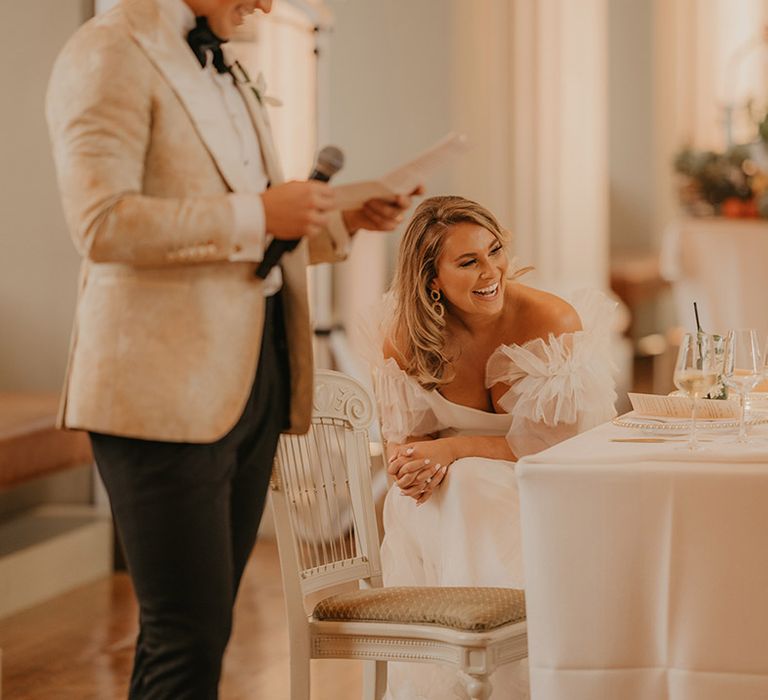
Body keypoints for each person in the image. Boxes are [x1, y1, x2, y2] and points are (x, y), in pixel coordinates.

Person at [45, 0, 420, 697]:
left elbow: (250, 229)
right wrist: (259, 211)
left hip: (255, 377)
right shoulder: (107, 53)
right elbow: (101, 222)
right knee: (189, 629)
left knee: (195, 629)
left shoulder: (226, 64)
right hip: (157, 390)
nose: (270, 4)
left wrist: (340, 220)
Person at [362, 196, 617, 699]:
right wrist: (408, 466)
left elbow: (560, 449)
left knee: (470, 483)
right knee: (434, 493)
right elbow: (405, 442)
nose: (491, 270)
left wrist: (454, 451)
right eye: (468, 261)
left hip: (553, 490)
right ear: (431, 279)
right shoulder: (406, 337)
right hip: (451, 500)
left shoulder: (550, 321)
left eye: (494, 251)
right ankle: (460, 669)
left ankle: (501, 674)